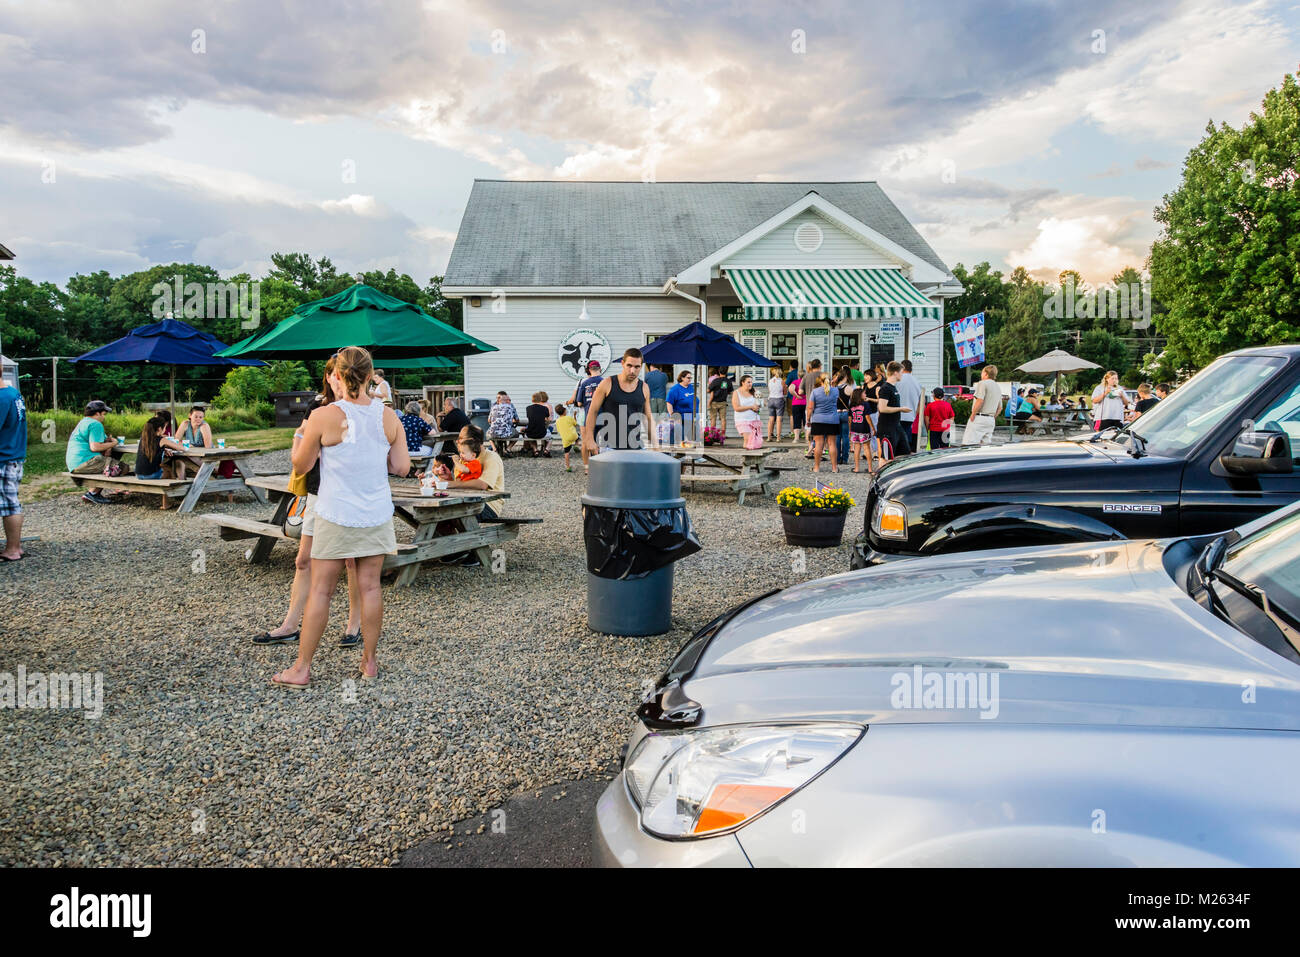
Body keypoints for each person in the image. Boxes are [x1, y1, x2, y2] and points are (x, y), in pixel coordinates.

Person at [271, 346, 409, 688]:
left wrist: (301, 436)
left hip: (335, 513)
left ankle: (302, 668)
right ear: (370, 375)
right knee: (371, 587)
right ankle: (370, 661)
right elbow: (401, 467)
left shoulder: (323, 416)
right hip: (375, 513)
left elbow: (301, 465)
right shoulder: (388, 417)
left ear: (338, 374)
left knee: (321, 590)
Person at [255, 366, 363, 648]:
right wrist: (301, 438)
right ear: (328, 377)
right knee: (303, 559)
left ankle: (354, 626)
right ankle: (290, 625)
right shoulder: (317, 406)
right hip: (318, 493)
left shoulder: (362, 407)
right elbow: (301, 450)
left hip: (350, 495)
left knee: (351, 561)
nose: (339, 379)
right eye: (334, 374)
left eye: (344, 374)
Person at [583, 348, 654, 464]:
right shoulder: (607, 383)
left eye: (637, 367)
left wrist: (654, 443)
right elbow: (592, 411)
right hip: (610, 448)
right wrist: (589, 438)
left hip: (636, 448)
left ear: (641, 366)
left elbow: (648, 417)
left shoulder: (644, 387)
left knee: (635, 482)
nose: (632, 370)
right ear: (622, 363)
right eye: (629, 365)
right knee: (610, 482)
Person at [67, 399, 126, 503]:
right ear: (97, 413)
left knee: (112, 461)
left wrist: (106, 443)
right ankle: (93, 493)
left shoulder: (83, 422)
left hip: (74, 463)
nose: (104, 417)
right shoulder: (95, 424)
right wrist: (114, 443)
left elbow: (98, 442)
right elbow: (95, 447)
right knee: (123, 467)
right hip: (86, 462)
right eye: (104, 414)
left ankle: (93, 493)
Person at [0, 376, 27, 560]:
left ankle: (13, 549)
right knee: (9, 501)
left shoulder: (2, 397)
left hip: (4, 457)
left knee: (9, 505)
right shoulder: (13, 393)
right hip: (14, 454)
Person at [874, 362, 913, 458]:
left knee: (905, 452)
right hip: (887, 427)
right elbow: (882, 408)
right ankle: (882, 472)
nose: (902, 374)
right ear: (895, 373)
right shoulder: (885, 388)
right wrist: (901, 409)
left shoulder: (893, 387)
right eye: (901, 372)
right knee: (886, 456)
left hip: (896, 426)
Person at [807, 373, 841, 473]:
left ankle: (816, 467)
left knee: (818, 444)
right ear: (829, 380)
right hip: (833, 420)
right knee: (832, 444)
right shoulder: (835, 390)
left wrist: (808, 419)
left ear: (819, 381)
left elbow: (810, 407)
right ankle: (834, 468)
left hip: (818, 420)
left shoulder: (815, 392)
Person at [961, 364, 1001, 446]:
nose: (981, 374)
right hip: (991, 420)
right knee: (985, 448)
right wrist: (992, 417)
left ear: (986, 374)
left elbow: (980, 400)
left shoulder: (983, 383)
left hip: (980, 418)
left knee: (968, 445)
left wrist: (973, 414)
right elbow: (1000, 408)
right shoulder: (997, 387)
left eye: (982, 373)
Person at [897, 360, 925, 454]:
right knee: (907, 435)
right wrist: (916, 413)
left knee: (897, 437)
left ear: (902, 368)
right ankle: (906, 453)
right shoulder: (917, 382)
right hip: (910, 415)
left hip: (897, 413)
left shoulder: (897, 380)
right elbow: (921, 403)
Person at [569, 360, 605, 427]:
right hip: (603, 416)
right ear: (600, 369)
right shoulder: (605, 382)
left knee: (589, 436)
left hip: (588, 416)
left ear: (589, 370)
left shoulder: (584, 383)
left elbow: (579, 403)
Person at [848, 387, 875, 474]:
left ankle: (856, 468)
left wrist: (850, 429)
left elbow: (849, 418)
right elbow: (867, 417)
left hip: (854, 428)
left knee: (857, 448)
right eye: (864, 393)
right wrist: (873, 428)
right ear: (860, 395)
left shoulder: (851, 405)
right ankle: (870, 469)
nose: (865, 395)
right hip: (864, 428)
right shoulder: (865, 404)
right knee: (867, 447)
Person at [731, 374, 762, 450]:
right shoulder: (736, 392)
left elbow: (759, 404)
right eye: (748, 382)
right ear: (743, 382)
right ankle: (747, 456)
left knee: (754, 441)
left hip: (754, 420)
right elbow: (736, 408)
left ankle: (749, 458)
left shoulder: (754, 392)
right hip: (742, 420)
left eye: (751, 382)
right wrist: (751, 407)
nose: (750, 384)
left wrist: (758, 407)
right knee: (748, 439)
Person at [800, 358, 823, 458]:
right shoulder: (824, 376)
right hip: (822, 406)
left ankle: (810, 447)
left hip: (809, 405)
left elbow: (800, 392)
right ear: (820, 366)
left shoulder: (806, 376)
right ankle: (816, 450)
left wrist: (807, 391)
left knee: (808, 427)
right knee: (820, 430)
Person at [666, 370, 695, 446]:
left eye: (690, 378)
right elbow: (669, 403)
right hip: (678, 416)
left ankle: (682, 453)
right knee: (679, 436)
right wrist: (672, 416)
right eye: (688, 378)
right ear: (682, 378)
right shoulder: (675, 389)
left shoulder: (691, 387)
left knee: (687, 436)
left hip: (689, 416)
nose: (690, 379)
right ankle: (671, 450)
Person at [522, 391, 553, 457]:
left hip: (530, 433)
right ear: (540, 399)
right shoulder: (545, 408)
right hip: (542, 433)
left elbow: (530, 418)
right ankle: (546, 450)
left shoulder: (528, 408)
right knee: (550, 438)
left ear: (532, 399)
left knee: (530, 437)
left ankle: (535, 450)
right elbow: (548, 419)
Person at [834, 368, 852, 464]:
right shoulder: (848, 388)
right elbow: (853, 402)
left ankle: (836, 458)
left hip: (836, 413)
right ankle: (845, 459)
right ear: (845, 377)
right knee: (845, 436)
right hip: (845, 413)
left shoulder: (834, 389)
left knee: (837, 437)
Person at [554, 402, 580, 471]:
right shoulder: (569, 418)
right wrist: (574, 415)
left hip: (565, 439)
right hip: (573, 435)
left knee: (567, 453)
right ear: (565, 411)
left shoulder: (557, 421)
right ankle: (576, 445)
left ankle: (568, 467)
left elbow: (559, 430)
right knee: (578, 437)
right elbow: (575, 423)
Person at [765, 369, 785, 441]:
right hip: (779, 399)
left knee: (771, 419)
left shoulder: (770, 381)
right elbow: (785, 392)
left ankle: (769, 437)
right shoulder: (782, 381)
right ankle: (778, 438)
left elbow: (770, 391)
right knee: (779, 419)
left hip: (771, 399)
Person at [789, 368, 807, 445]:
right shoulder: (807, 383)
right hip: (806, 404)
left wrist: (797, 396)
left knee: (797, 421)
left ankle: (796, 439)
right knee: (806, 422)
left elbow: (790, 389)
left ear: (798, 375)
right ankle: (807, 439)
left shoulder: (795, 382)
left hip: (796, 404)